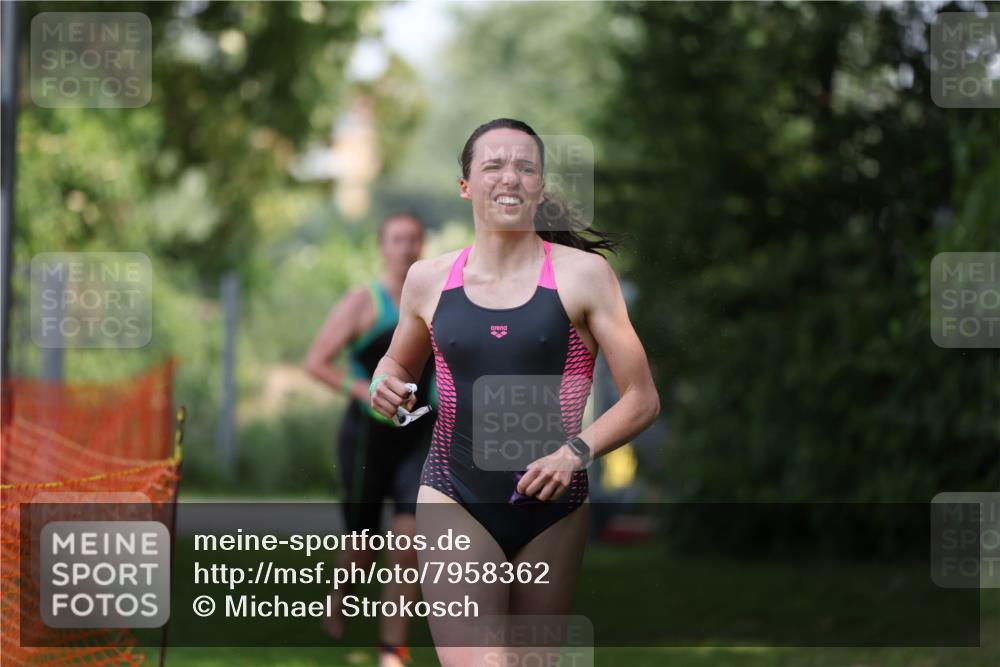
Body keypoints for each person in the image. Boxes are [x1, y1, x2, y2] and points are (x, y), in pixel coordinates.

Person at [368, 118, 660, 666]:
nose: (511, 177)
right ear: (465, 185)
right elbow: (394, 363)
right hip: (454, 494)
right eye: (494, 166)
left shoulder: (584, 276)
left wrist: (575, 454)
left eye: (526, 167)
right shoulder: (429, 280)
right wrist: (384, 386)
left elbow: (642, 398)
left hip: (555, 510)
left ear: (541, 186)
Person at [304, 211, 437, 667]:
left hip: (418, 433)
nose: (405, 247)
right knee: (363, 544)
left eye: (413, 239)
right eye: (397, 239)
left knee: (409, 541)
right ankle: (342, 594)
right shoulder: (364, 303)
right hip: (365, 436)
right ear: (383, 246)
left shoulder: (435, 299)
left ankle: (391, 651)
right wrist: (365, 391)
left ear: (422, 245)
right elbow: (317, 361)